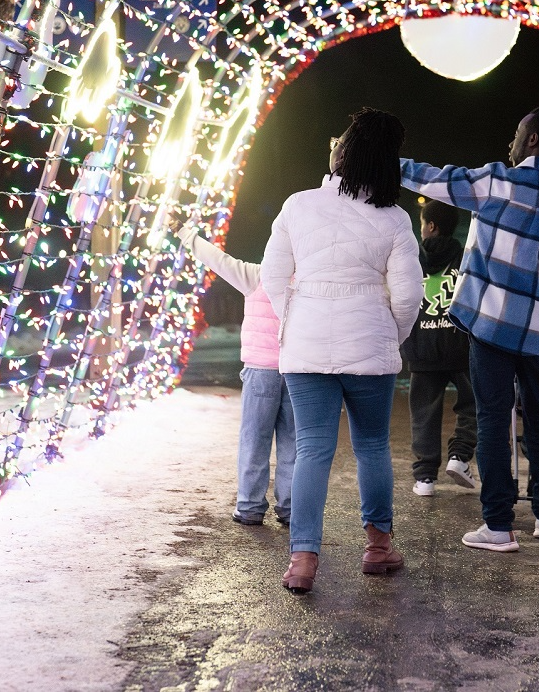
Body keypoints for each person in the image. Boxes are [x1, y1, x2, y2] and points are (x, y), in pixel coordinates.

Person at [399, 106, 539, 553]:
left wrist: (382, 160)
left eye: (518, 133)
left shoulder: (498, 182)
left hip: (490, 328)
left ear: (534, 139)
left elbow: (432, 179)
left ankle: (499, 527)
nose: (511, 142)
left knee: (493, 421)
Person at [261, 108, 424, 594]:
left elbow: (272, 276)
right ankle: (377, 546)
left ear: (343, 154)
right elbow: (409, 294)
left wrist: (297, 316)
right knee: (372, 445)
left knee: (313, 448)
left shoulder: (298, 205)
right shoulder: (395, 219)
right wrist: (387, 335)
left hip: (307, 344)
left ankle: (303, 560)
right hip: (370, 343)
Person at [177, 221, 293, 528]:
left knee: (254, 439)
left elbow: (217, 258)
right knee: (293, 443)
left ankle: (250, 507)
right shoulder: (306, 280)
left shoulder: (255, 275)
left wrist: (187, 235)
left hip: (259, 371)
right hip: (297, 371)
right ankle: (291, 507)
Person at [402, 199, 478, 497]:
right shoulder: (466, 257)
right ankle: (460, 457)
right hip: (460, 345)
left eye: (422, 224)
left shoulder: (411, 259)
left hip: (422, 346)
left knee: (424, 412)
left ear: (431, 226)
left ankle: (425, 479)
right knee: (474, 403)